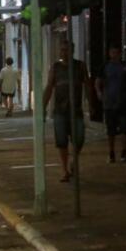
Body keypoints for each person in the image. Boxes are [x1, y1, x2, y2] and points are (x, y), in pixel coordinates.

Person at [43, 40, 93, 182]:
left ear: (72, 51)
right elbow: (49, 88)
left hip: (76, 110)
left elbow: (88, 86)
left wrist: (91, 104)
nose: (64, 53)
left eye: (67, 50)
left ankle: (74, 160)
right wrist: (43, 107)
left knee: (79, 138)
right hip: (60, 110)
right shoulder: (56, 67)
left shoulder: (80, 66)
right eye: (62, 50)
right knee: (61, 141)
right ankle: (65, 170)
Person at [96, 45, 126, 163]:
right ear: (109, 53)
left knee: (125, 128)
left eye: (116, 52)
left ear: (120, 53)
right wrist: (99, 92)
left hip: (123, 102)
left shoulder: (125, 66)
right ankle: (111, 152)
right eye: (112, 52)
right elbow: (98, 81)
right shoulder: (105, 66)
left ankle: (124, 152)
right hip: (109, 102)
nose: (114, 54)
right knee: (111, 129)